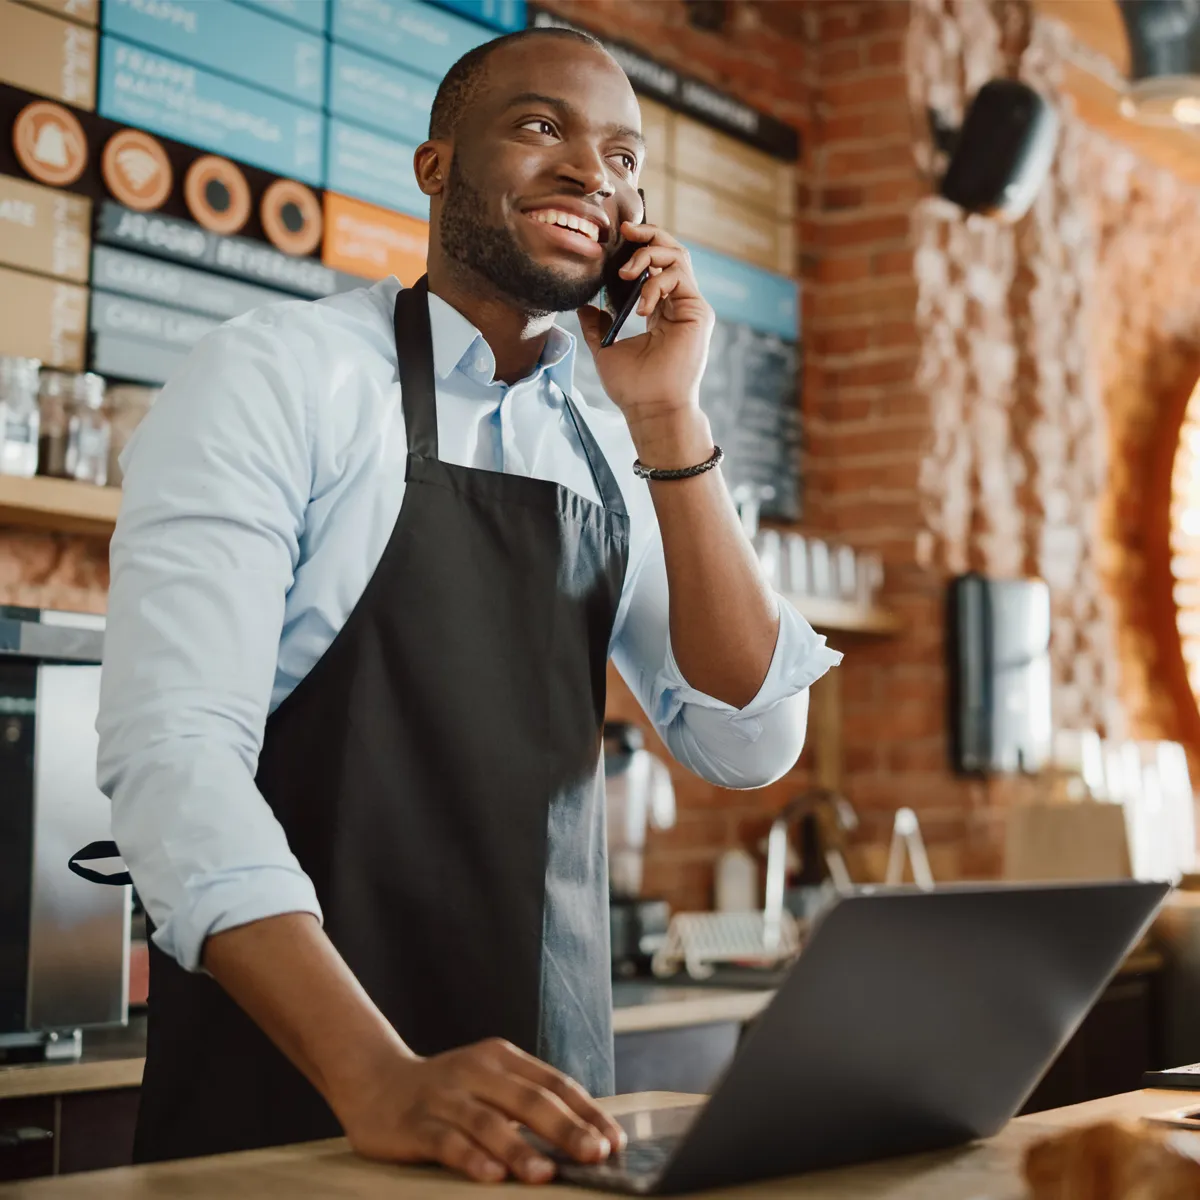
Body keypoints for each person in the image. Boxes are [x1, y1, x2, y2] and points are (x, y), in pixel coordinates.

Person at [93, 25, 840, 1187]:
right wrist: (378, 1075)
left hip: (554, 1112)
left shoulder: (616, 443)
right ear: (436, 166)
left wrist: (669, 423)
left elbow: (751, 739)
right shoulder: (279, 375)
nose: (596, 173)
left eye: (626, 158)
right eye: (541, 126)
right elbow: (175, 760)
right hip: (301, 1103)